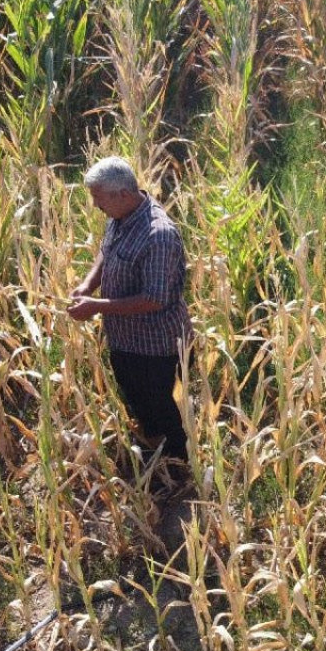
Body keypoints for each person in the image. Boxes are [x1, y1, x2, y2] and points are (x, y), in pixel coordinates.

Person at [68, 156, 193, 475]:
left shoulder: (159, 235)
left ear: (122, 193)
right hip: (123, 337)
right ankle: (153, 447)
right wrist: (87, 285)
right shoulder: (121, 216)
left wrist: (96, 306)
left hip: (154, 345)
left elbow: (154, 299)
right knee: (134, 395)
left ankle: (178, 465)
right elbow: (106, 253)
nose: (95, 205)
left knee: (160, 404)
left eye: (98, 197)